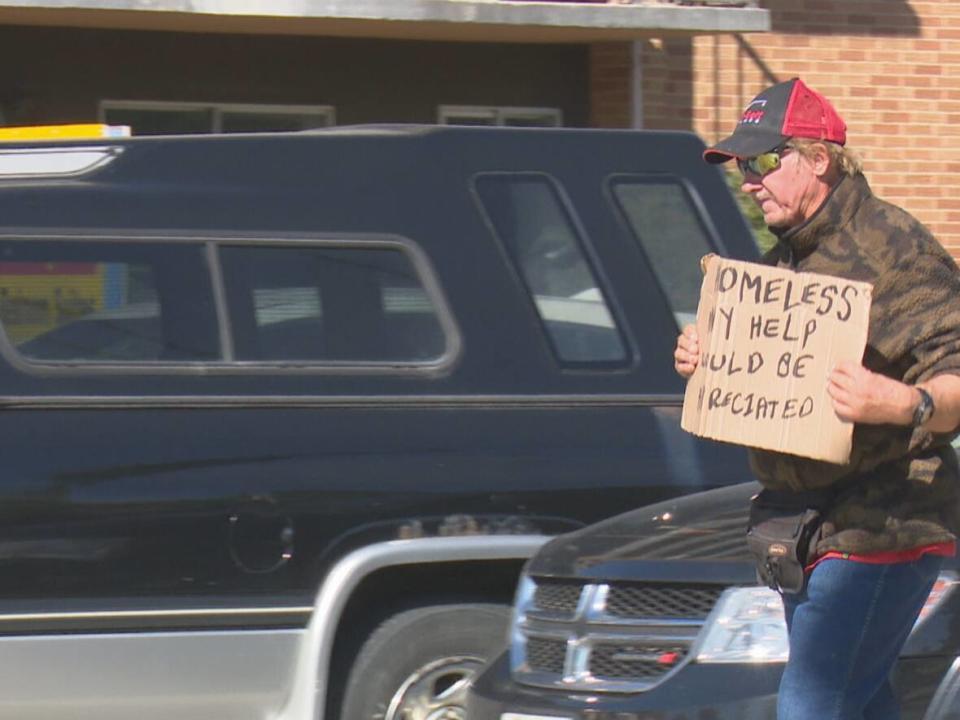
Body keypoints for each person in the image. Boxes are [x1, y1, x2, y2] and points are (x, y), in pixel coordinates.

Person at [674, 77, 960, 720]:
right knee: (857, 701)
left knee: (813, 705)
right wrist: (707, 360)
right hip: (800, 523)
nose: (749, 180)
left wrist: (903, 403)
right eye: (743, 166)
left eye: (764, 161)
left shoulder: (895, 249)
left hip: (883, 523)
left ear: (820, 158)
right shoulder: (787, 262)